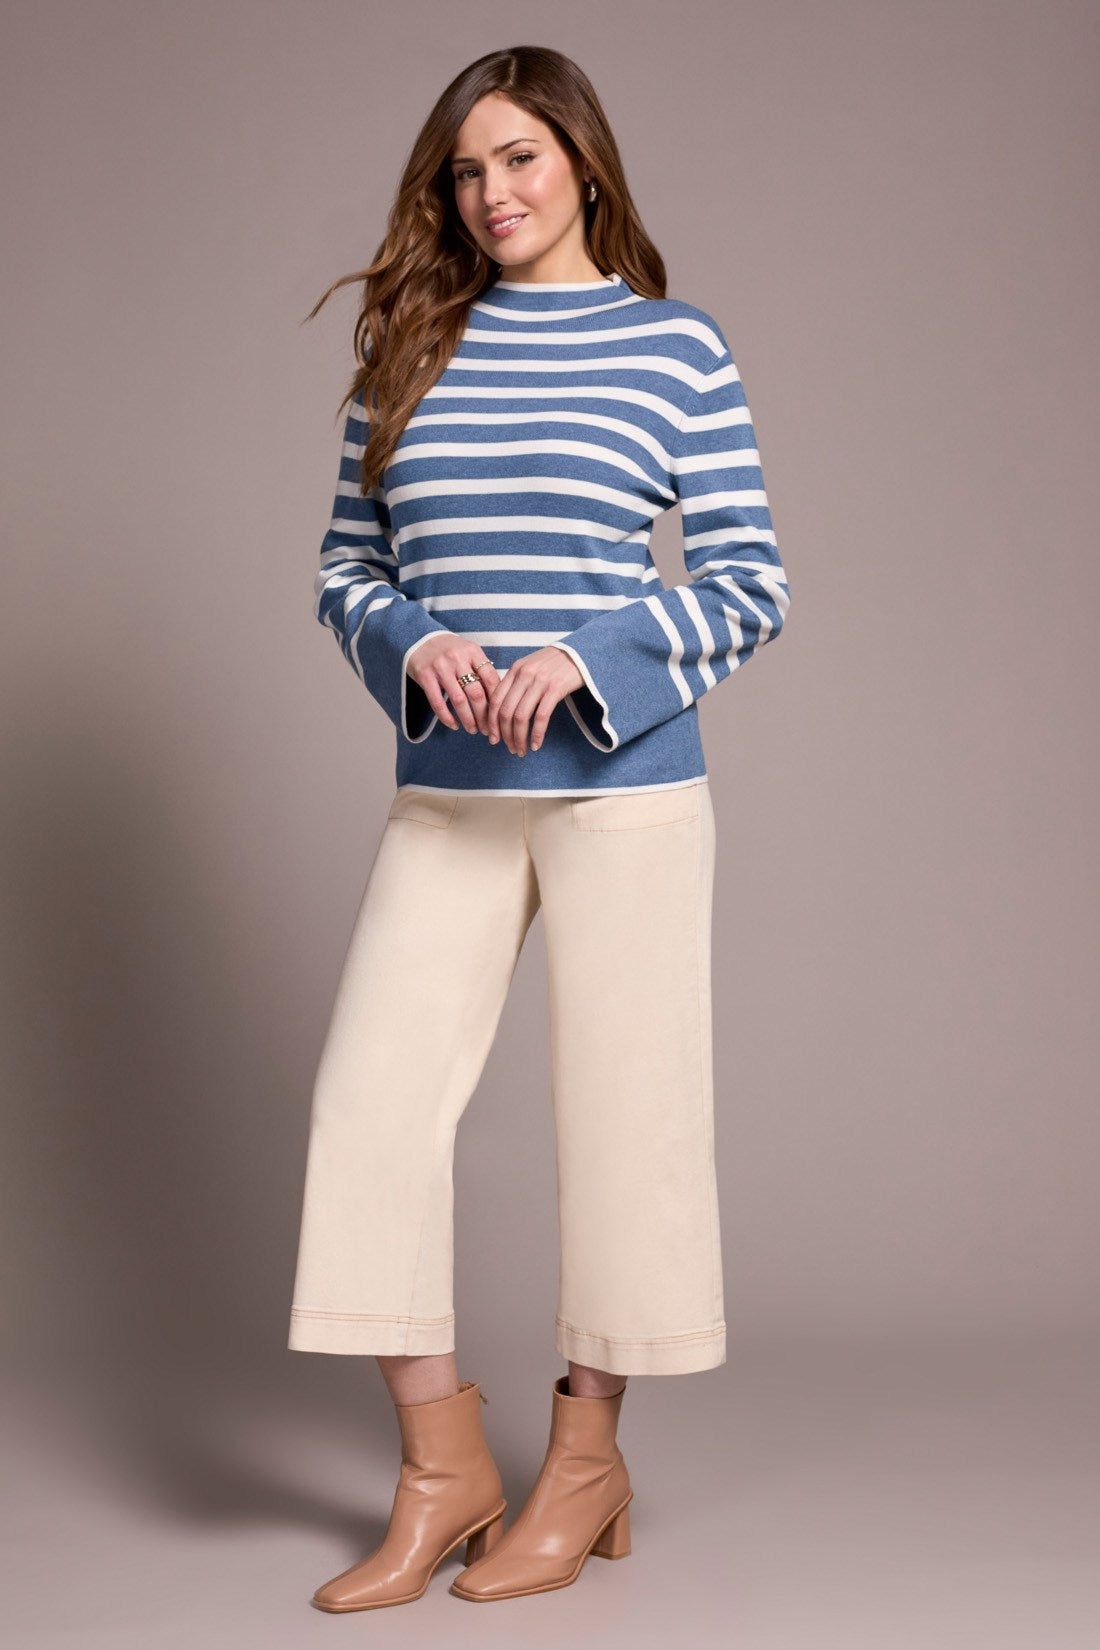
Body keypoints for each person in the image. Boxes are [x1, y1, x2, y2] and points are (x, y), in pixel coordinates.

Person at [286, 42, 790, 1612]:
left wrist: (591, 657)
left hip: (625, 788)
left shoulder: (674, 348)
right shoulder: (410, 346)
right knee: (370, 1108)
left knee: (630, 1124)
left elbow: (750, 582)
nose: (490, 191)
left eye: (516, 157)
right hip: (449, 789)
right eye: (465, 169)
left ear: (581, 161)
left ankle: (584, 1462)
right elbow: (344, 569)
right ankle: (443, 1467)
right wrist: (409, 638)